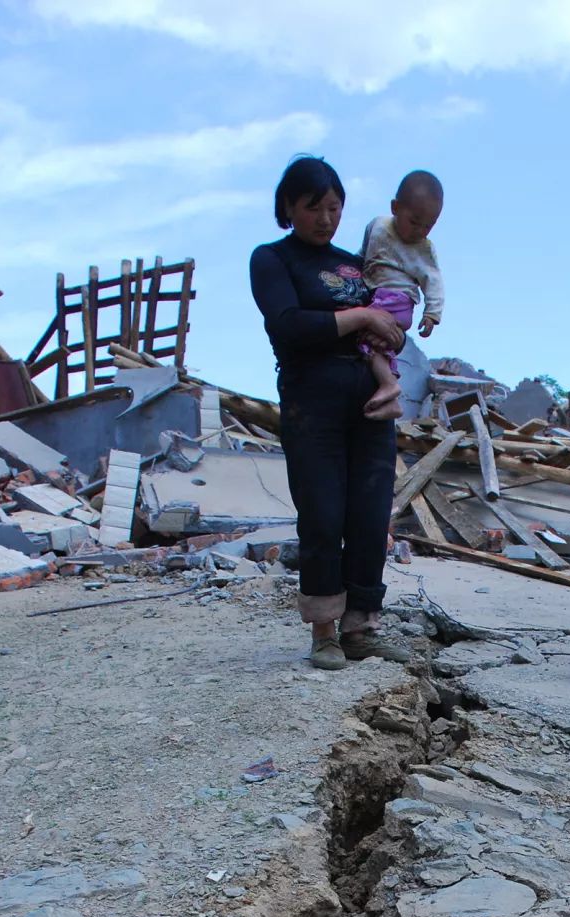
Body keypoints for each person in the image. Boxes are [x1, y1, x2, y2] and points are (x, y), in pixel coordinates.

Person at [249, 156, 411, 671]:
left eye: (335, 206)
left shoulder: (355, 264)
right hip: (310, 399)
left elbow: (387, 319)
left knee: (369, 515)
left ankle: (361, 626)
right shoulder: (272, 259)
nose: (326, 217)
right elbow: (290, 326)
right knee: (321, 514)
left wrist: (391, 330)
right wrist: (362, 315)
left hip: (370, 401)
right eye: (313, 207)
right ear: (288, 208)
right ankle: (324, 631)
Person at [358, 170, 445, 418]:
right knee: (375, 345)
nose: (420, 230)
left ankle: (389, 385)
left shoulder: (424, 249)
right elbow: (363, 255)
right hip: (374, 296)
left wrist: (432, 314)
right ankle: (392, 396)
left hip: (398, 301)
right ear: (395, 207)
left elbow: (434, 281)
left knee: (363, 335)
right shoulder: (377, 226)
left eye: (428, 225)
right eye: (415, 221)